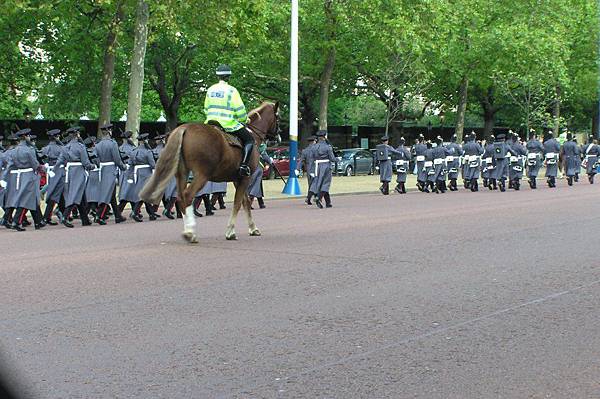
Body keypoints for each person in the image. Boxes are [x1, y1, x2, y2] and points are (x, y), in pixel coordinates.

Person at [204, 64, 252, 177]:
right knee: (249, 140)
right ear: (228, 77)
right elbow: (240, 110)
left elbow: (206, 108)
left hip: (210, 123)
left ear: (218, 77)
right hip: (227, 124)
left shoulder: (210, 89)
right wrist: (245, 119)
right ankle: (244, 167)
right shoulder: (232, 91)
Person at [0, 129, 44, 231]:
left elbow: (10, 166)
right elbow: (35, 165)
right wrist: (44, 168)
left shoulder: (14, 151)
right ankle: (17, 221)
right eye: (29, 136)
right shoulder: (29, 150)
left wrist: (4, 178)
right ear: (25, 137)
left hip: (20, 176)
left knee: (31, 198)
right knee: (25, 199)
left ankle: (38, 221)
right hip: (30, 176)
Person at [55, 127, 95, 227]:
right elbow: (85, 162)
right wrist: (92, 166)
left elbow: (60, 160)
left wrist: (54, 170)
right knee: (75, 194)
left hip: (70, 171)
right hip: (78, 171)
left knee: (79, 195)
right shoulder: (80, 146)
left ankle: (85, 219)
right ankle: (65, 216)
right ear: (77, 134)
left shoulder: (65, 147)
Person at [93, 123, 127, 224]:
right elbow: (117, 159)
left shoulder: (98, 145)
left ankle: (117, 216)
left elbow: (95, 158)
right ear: (109, 131)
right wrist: (123, 167)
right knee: (107, 193)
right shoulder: (112, 143)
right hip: (110, 169)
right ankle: (99, 216)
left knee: (110, 193)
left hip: (102, 169)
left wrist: (100, 164)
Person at [126, 133, 159, 222]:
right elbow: (152, 165)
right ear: (145, 140)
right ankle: (135, 212)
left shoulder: (134, 151)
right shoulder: (147, 151)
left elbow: (130, 164)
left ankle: (151, 214)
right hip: (146, 173)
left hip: (137, 173)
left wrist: (130, 176)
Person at [40, 129, 65, 225]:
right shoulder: (61, 148)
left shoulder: (45, 148)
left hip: (50, 172)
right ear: (57, 137)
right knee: (55, 194)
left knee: (60, 194)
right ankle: (47, 217)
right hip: (59, 171)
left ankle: (59, 214)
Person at [309, 130, 336, 208]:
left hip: (317, 166)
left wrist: (311, 170)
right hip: (326, 165)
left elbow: (311, 159)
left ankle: (328, 202)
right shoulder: (328, 147)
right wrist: (338, 159)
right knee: (326, 183)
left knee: (318, 183)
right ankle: (319, 197)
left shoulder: (314, 147)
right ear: (325, 136)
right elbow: (332, 158)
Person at [248, 143, 273, 208]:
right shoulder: (261, 147)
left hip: (250, 167)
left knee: (257, 185)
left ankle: (261, 203)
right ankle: (249, 203)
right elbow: (265, 156)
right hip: (258, 168)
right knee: (254, 186)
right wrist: (270, 161)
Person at [297, 136, 316, 204]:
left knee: (311, 185)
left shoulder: (305, 150)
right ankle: (310, 198)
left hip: (309, 170)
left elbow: (301, 161)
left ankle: (312, 198)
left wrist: (298, 169)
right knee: (316, 184)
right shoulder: (317, 149)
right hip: (316, 169)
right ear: (314, 141)